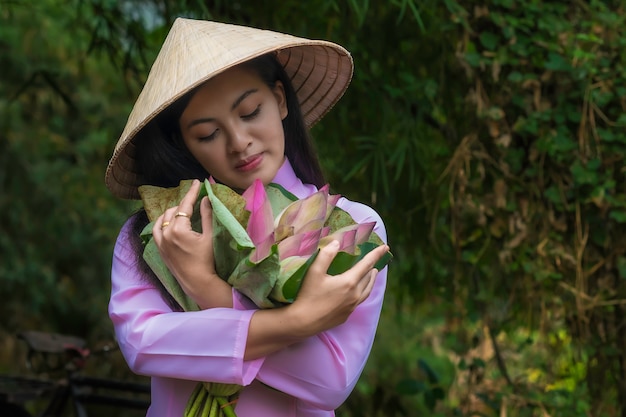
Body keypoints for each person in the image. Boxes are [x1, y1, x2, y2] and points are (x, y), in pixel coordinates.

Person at [105, 17, 390, 416]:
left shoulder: (351, 227)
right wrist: (297, 323)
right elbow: (142, 344)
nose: (240, 143)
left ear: (280, 99)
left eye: (251, 111)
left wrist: (205, 287)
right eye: (207, 134)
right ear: (183, 144)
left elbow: (330, 382)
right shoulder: (157, 232)